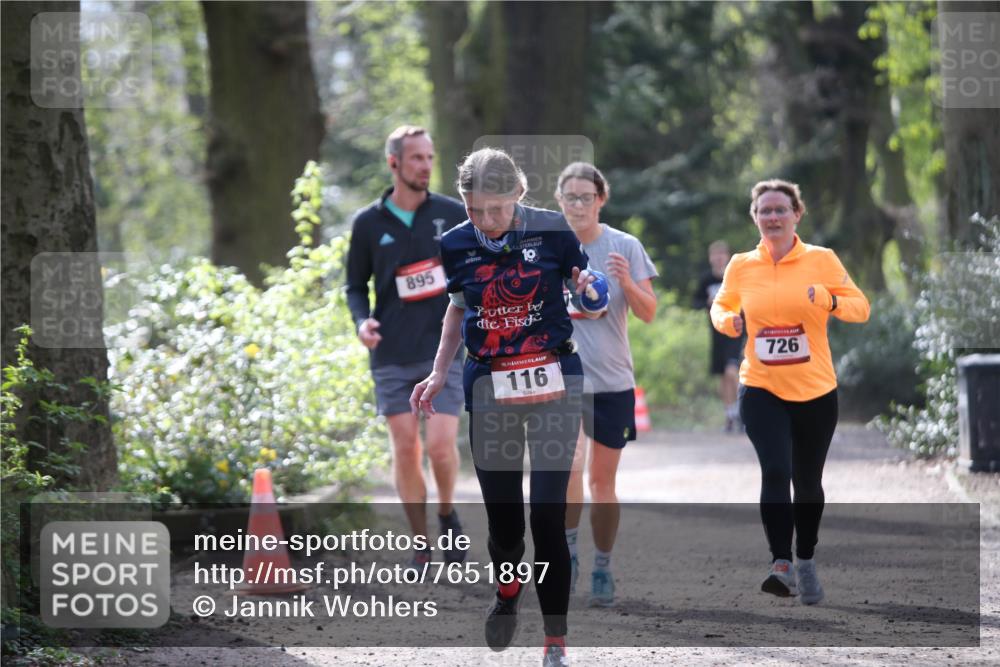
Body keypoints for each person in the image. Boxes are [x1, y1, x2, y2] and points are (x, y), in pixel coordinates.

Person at [410, 148, 609, 667]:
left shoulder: (554, 231)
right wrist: (438, 373)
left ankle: (555, 641)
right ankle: (507, 587)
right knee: (504, 527)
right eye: (476, 211)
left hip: (554, 379)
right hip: (490, 386)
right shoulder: (454, 244)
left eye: (497, 209)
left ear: (519, 193)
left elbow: (588, 291)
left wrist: (589, 290)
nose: (487, 222)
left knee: (547, 516)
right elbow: (457, 311)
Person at [710, 179, 870, 605]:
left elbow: (861, 307)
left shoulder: (822, 259)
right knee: (776, 472)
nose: (773, 217)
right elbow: (721, 305)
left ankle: (805, 558)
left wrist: (829, 300)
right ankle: (780, 563)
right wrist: (728, 321)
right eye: (765, 210)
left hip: (816, 389)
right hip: (761, 387)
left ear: (797, 214)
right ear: (755, 217)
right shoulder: (742, 265)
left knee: (809, 483)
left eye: (781, 209)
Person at [345, 125, 468, 567]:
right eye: (417, 158)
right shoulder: (367, 223)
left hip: (444, 349)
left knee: (438, 445)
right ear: (394, 162)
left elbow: (475, 268)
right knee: (404, 446)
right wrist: (363, 322)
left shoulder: (453, 213)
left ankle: (447, 513)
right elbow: (354, 287)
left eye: (430, 158)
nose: (426, 166)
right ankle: (421, 542)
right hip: (392, 352)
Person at [555, 162, 658, 608]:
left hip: (613, 381)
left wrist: (627, 283)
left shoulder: (624, 246)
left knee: (602, 482)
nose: (578, 204)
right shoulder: (545, 247)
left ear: (601, 200)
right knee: (570, 470)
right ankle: (570, 555)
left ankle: (602, 564)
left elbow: (649, 312)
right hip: (560, 381)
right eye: (570, 197)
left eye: (586, 197)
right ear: (560, 201)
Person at [694, 241, 745, 432]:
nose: (718, 258)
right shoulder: (706, 280)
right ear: (710, 258)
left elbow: (747, 300)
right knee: (723, 376)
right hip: (716, 333)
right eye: (714, 255)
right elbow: (695, 301)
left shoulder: (734, 277)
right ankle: (730, 415)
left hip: (735, 330)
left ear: (727, 256)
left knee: (733, 372)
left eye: (722, 255)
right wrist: (706, 302)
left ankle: (742, 411)